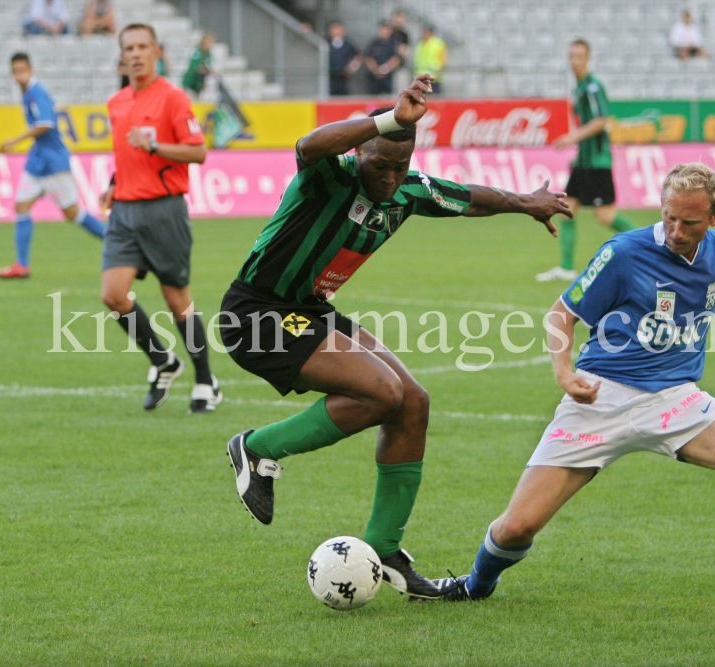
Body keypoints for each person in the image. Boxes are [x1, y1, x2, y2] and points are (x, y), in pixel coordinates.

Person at [416, 163, 715, 618]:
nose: (675, 230)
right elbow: (561, 313)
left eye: (689, 222)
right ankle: (475, 585)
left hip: (674, 399)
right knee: (517, 527)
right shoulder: (624, 253)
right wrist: (563, 372)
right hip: (600, 398)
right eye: (669, 217)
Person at [220, 74, 573, 599]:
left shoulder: (407, 190)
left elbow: (468, 197)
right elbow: (307, 144)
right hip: (257, 314)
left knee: (412, 402)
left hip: (311, 310)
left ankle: (384, 549)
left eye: (399, 167)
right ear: (359, 151)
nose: (389, 178)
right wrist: (391, 120)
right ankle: (257, 448)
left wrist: (527, 202)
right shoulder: (328, 176)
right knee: (381, 392)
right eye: (379, 164)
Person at [99, 23, 222, 414]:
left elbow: (198, 152)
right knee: (113, 295)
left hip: (164, 210)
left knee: (177, 301)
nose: (135, 54)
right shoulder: (116, 102)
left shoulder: (173, 98)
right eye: (129, 47)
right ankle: (163, 361)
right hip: (123, 210)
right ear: (122, 56)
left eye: (142, 47)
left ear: (156, 52)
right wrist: (114, 182)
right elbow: (127, 155)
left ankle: (206, 381)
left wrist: (154, 145)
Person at [0, 53, 106, 279]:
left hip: (53, 161)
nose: (19, 75)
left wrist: (14, 140)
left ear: (31, 69)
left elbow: (45, 124)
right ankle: (22, 264)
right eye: (15, 71)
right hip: (38, 161)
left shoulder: (37, 93)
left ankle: (119, 243)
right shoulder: (27, 93)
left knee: (73, 214)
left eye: (23, 69)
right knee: (21, 207)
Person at [537, 39, 639, 283]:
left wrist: (573, 137)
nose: (575, 61)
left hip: (597, 162)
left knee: (605, 216)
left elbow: (602, 120)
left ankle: (653, 246)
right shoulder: (580, 87)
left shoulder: (593, 87)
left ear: (588, 59)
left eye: (580, 56)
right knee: (566, 211)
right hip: (583, 162)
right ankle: (566, 267)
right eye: (572, 56)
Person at [366, 22, 402, 95]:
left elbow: (396, 59)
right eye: (382, 30)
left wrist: (385, 69)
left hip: (388, 78)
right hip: (374, 78)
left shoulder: (393, 43)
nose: (384, 32)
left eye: (386, 30)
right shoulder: (374, 43)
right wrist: (376, 70)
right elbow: (369, 58)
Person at [327, 20, 361, 96]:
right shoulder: (326, 42)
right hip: (330, 76)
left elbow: (358, 56)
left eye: (338, 28)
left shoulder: (348, 44)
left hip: (343, 77)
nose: (336, 31)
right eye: (333, 29)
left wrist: (352, 67)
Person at [182, 33, 217, 100]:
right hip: (191, 84)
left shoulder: (208, 54)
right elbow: (196, 68)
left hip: (198, 86)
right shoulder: (198, 52)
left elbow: (205, 70)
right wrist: (210, 71)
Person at [413, 25, 447, 95]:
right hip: (421, 78)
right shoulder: (420, 43)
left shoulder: (438, 43)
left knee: (434, 99)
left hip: (433, 78)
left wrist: (439, 73)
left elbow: (443, 60)